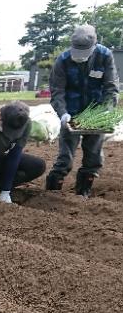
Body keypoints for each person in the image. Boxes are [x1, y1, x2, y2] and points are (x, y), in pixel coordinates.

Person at [46, 24, 119, 196]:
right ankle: (52, 191)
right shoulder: (63, 60)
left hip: (95, 114)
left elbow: (111, 87)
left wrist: (107, 110)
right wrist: (62, 112)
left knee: (93, 157)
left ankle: (83, 191)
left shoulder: (104, 56)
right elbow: (57, 90)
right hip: (71, 113)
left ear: (93, 46)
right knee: (65, 157)